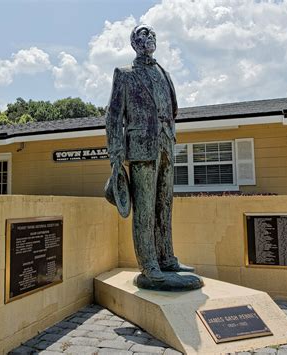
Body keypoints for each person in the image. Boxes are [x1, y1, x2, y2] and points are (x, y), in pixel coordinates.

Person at [105, 24, 195, 284]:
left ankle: (167, 258)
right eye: (143, 34)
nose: (150, 37)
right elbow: (113, 117)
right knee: (144, 209)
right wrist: (116, 154)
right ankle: (149, 264)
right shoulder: (125, 74)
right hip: (142, 148)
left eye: (153, 34)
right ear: (134, 43)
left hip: (167, 143)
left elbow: (172, 110)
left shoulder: (164, 73)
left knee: (165, 205)